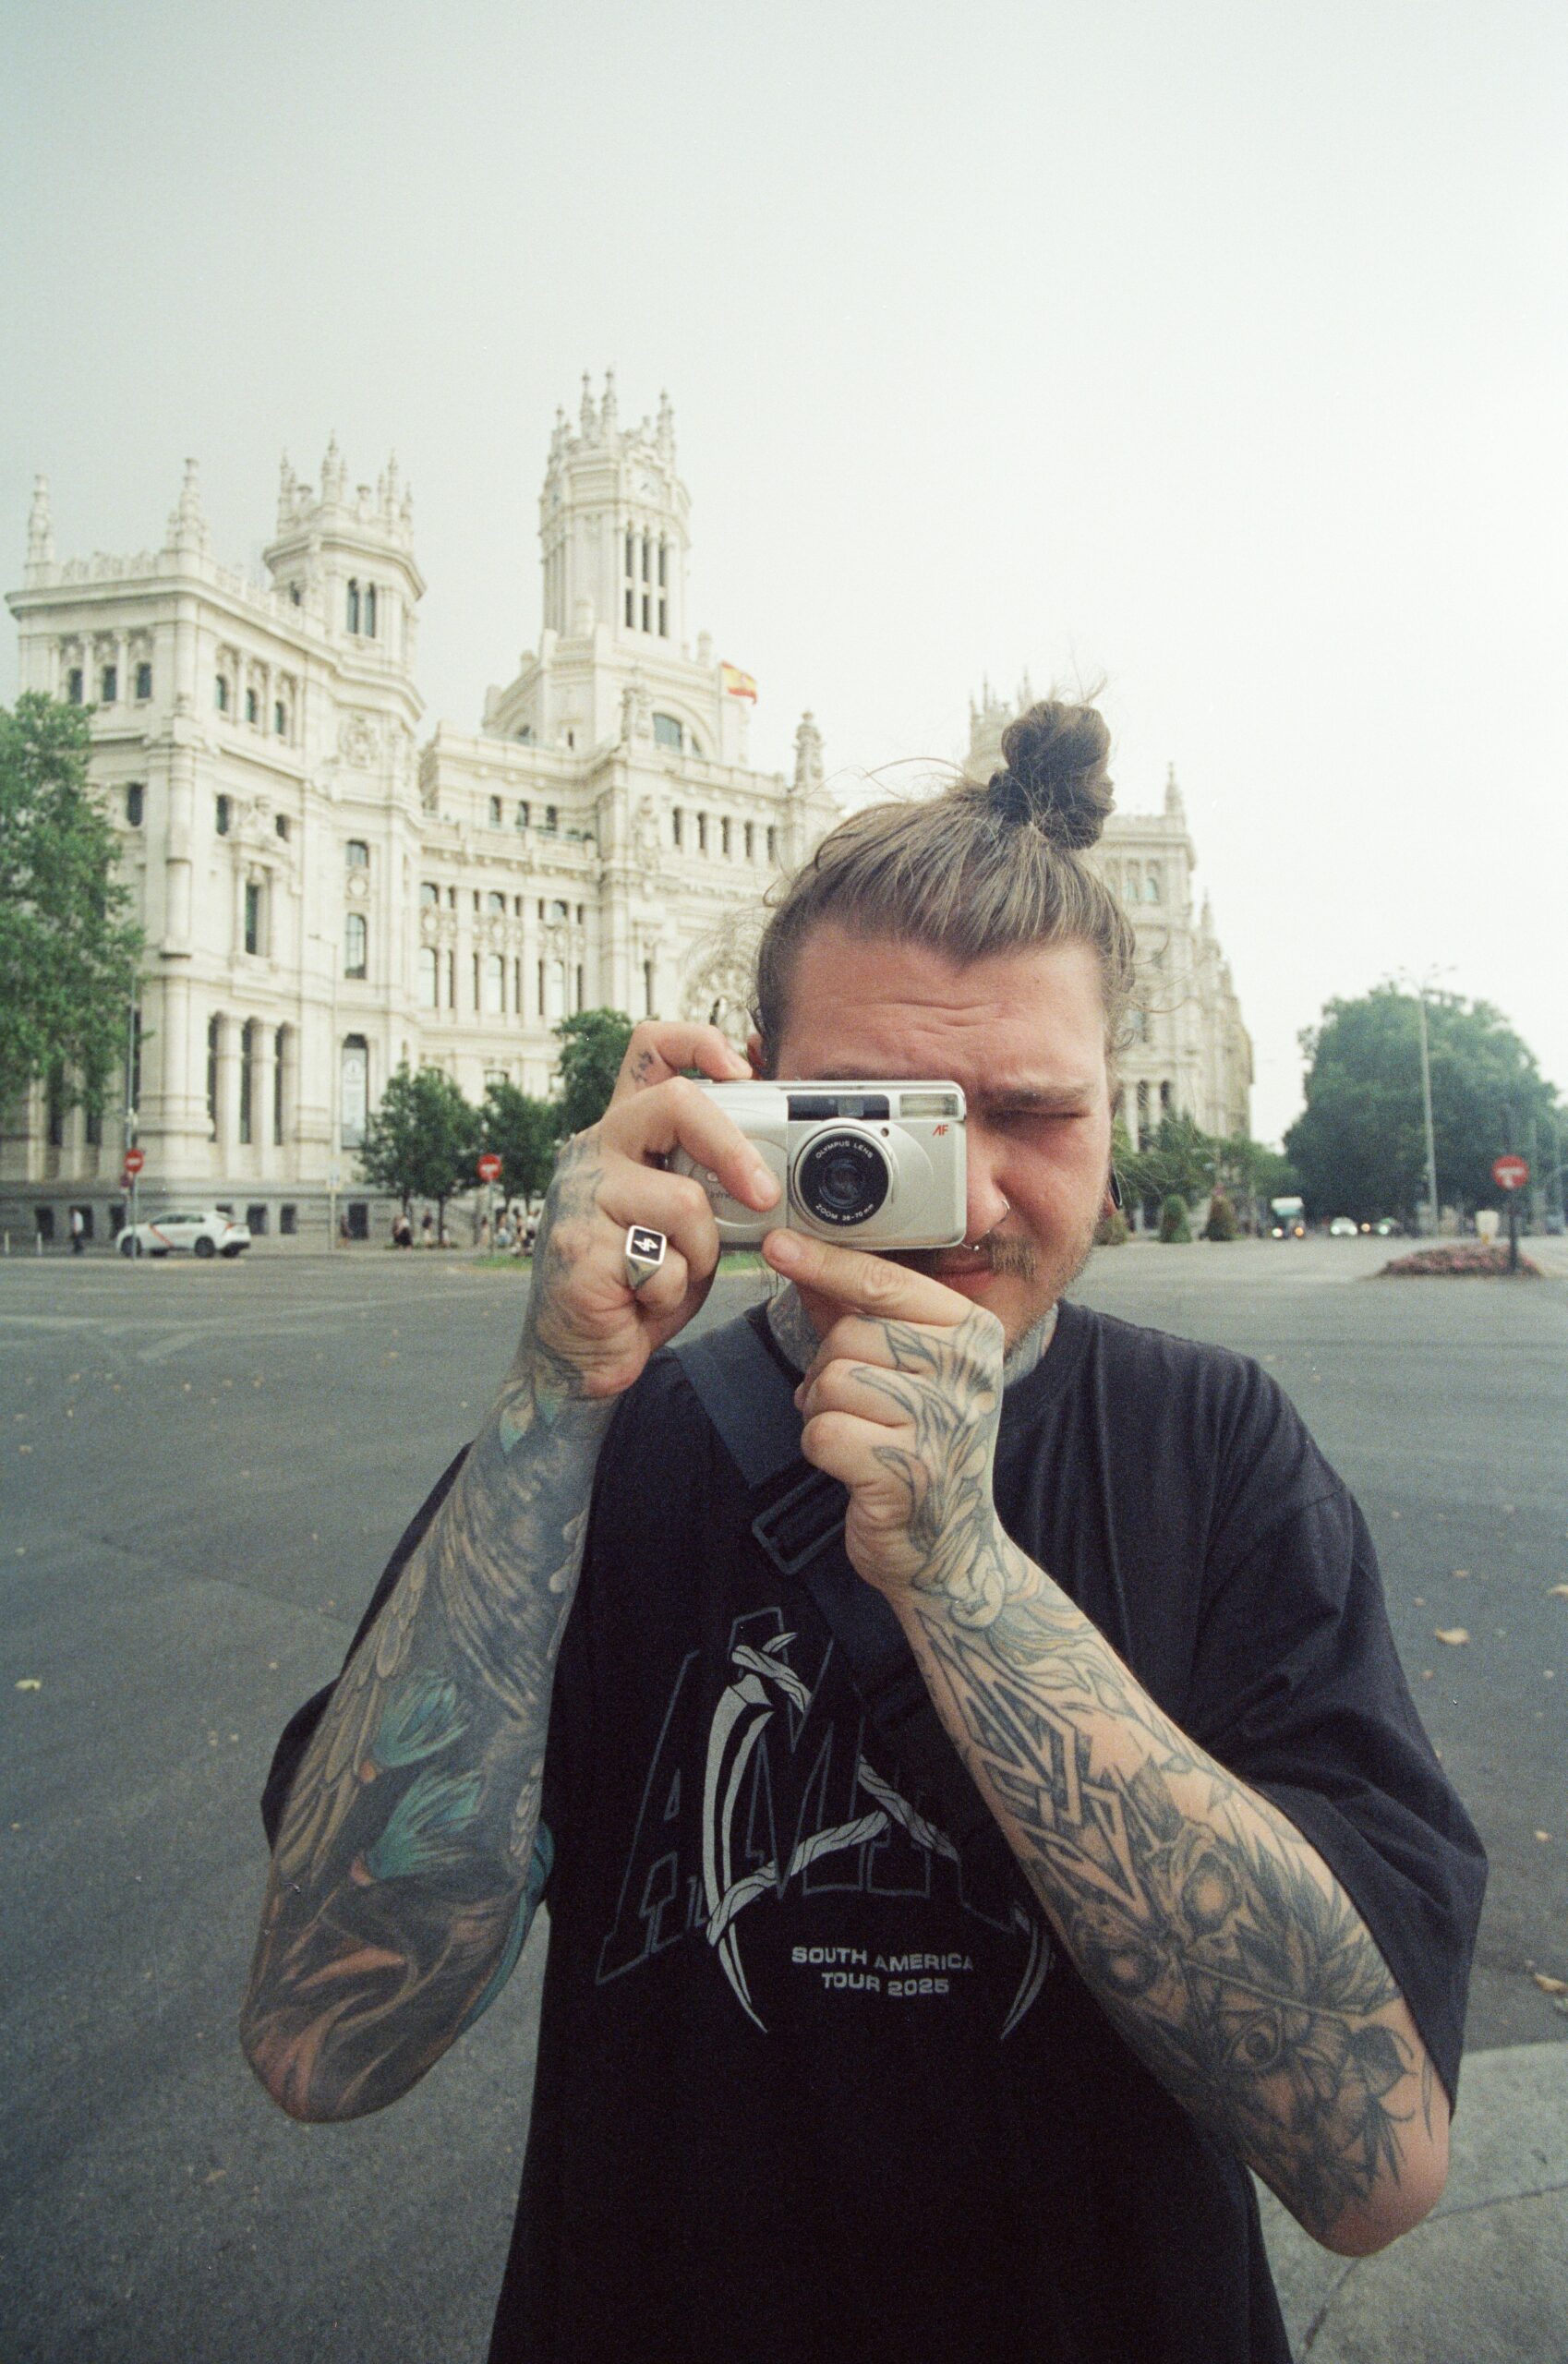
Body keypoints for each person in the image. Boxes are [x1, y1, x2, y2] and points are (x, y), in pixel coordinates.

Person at [243, 703, 1485, 2364]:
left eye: (1030, 1113)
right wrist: (551, 1401)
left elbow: (1372, 2164)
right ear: (743, 1102)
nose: (962, 1200)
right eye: (878, 1123)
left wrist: (964, 1580)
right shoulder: (600, 1452)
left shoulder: (1217, 1446)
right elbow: (322, 2038)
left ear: (1113, 1112)